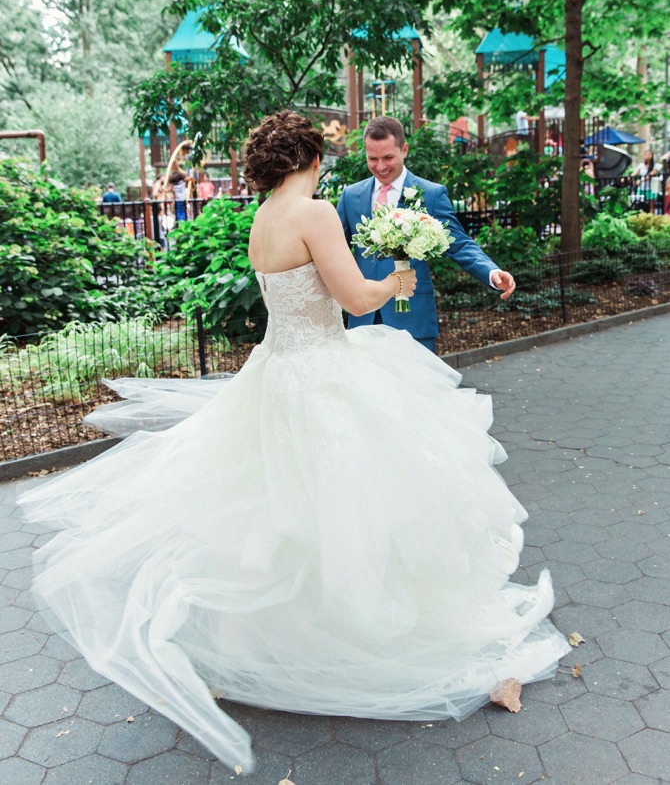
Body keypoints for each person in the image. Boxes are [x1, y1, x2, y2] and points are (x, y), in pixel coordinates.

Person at [19, 110, 569, 773]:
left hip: (275, 372)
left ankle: (286, 635)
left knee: (280, 504)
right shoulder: (313, 213)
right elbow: (355, 299)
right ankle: (363, 631)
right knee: (355, 500)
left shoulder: (263, 218)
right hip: (323, 374)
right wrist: (396, 283)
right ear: (310, 158)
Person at [337, 116, 515, 351]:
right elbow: (333, 251)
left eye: (388, 157)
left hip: (413, 320)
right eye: (373, 159)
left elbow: (459, 243)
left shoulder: (431, 194)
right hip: (365, 319)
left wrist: (491, 271)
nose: (380, 166)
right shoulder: (350, 196)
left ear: (404, 150)